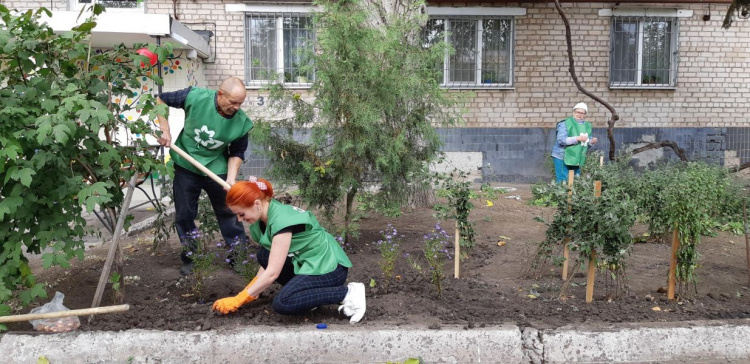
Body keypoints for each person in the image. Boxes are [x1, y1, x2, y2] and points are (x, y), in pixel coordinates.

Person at [212, 177, 366, 323]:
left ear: (257, 204)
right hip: (308, 263)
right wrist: (250, 292)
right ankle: (309, 298)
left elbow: (272, 273)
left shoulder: (281, 221)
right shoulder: (262, 220)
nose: (239, 220)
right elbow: (268, 264)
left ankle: (348, 293)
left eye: (241, 214)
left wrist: (239, 299)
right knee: (264, 255)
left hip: (329, 268)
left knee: (283, 302)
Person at [156, 77, 254, 275]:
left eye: (240, 103)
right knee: (185, 214)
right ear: (220, 94)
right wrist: (165, 129)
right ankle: (192, 258)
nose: (236, 107)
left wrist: (231, 179)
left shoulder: (241, 123)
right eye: (233, 102)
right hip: (186, 164)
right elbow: (161, 99)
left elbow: (237, 152)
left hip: (216, 166)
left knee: (229, 212)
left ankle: (239, 257)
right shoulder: (195, 97)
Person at [551, 102, 598, 183]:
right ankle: (562, 196)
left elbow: (586, 141)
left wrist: (591, 141)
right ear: (573, 112)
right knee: (563, 180)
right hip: (562, 155)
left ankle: (571, 195)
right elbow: (561, 140)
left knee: (575, 180)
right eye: (577, 112)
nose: (579, 114)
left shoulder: (587, 125)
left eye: (582, 113)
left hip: (577, 156)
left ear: (585, 114)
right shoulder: (565, 123)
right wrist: (577, 138)